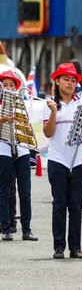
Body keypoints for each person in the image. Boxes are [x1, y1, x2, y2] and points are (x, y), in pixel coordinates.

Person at [43, 63, 82, 259]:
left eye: (73, 80)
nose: (70, 83)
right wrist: (54, 112)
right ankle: (59, 247)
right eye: (66, 79)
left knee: (76, 204)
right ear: (57, 81)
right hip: (57, 159)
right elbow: (47, 132)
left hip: (78, 160)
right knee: (59, 203)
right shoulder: (50, 104)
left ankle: (76, 247)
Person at [0, 70, 37, 242]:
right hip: (3, 147)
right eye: (5, 85)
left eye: (11, 85)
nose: (8, 88)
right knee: (4, 190)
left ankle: (27, 229)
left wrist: (23, 125)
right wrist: (3, 120)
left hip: (21, 148)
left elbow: (29, 131)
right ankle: (6, 228)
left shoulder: (22, 105)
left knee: (25, 191)